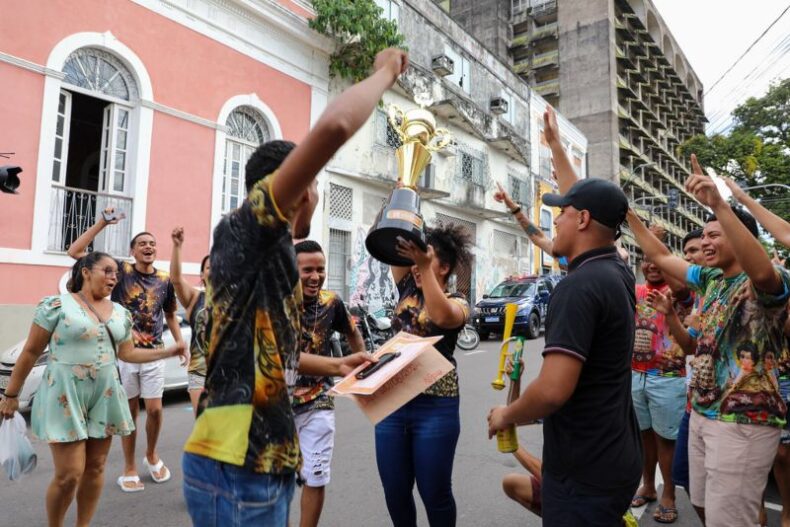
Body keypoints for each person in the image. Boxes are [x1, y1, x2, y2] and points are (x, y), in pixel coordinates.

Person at [181, 47, 407, 527]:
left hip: (261, 459)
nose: (316, 194)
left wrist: (337, 365)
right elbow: (334, 127)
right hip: (239, 458)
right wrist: (385, 72)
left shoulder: (271, 254)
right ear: (300, 188)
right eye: (314, 182)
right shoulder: (248, 229)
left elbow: (273, 355)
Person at [625, 154, 790, 527]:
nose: (705, 242)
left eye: (714, 235)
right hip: (702, 412)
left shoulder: (767, 281)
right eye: (704, 236)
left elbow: (762, 272)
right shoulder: (711, 280)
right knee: (701, 503)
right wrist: (628, 215)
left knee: (728, 520)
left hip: (743, 421)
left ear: (740, 236)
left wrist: (719, 203)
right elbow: (660, 255)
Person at [487, 177, 642, 526]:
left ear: (583, 219)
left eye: (562, 213)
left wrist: (506, 415)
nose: (555, 221)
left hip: (585, 469)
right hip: (615, 455)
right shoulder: (618, 272)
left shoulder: (579, 286)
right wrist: (515, 210)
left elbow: (552, 391)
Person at [0, 253, 187, 527]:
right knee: (70, 474)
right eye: (107, 271)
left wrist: (166, 352)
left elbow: (127, 353)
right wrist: (11, 395)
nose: (114, 277)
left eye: (116, 274)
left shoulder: (121, 313)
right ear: (86, 272)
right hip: (65, 394)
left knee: (96, 467)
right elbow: (30, 352)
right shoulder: (56, 305)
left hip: (105, 394)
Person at [68, 220, 184, 492]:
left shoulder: (164, 279)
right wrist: (102, 223)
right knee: (129, 413)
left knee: (155, 410)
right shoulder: (121, 271)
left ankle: (151, 455)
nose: (148, 247)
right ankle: (129, 467)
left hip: (153, 353)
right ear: (132, 251)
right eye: (142, 243)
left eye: (152, 243)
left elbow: (170, 315)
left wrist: (181, 344)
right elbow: (75, 252)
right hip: (123, 354)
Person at [373, 222, 472, 527]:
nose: (414, 266)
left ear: (443, 267)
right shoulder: (407, 286)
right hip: (392, 403)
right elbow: (393, 235)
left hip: (436, 407)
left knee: (435, 493)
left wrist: (423, 265)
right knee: (395, 491)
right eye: (413, 261)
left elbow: (441, 317)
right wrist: (402, 204)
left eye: (424, 260)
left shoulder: (458, 301)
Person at [291, 240, 365, 527]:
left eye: (320, 269)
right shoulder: (275, 305)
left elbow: (352, 332)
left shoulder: (331, 302)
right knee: (276, 478)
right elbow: (282, 356)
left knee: (316, 475)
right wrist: (340, 365)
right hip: (275, 405)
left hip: (318, 399)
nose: (315, 276)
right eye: (307, 270)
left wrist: (360, 367)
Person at [629, 252, 691, 524]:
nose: (652, 265)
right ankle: (648, 486)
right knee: (643, 436)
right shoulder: (635, 291)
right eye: (646, 259)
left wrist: (664, 262)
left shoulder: (679, 291)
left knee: (666, 439)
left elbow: (683, 293)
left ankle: (669, 495)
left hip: (667, 376)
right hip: (635, 374)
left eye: (658, 259)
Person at [169, 227, 210, 415]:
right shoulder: (195, 298)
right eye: (209, 267)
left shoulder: (236, 299)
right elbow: (176, 279)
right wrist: (177, 246)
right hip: (199, 372)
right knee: (204, 423)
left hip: (229, 373)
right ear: (202, 275)